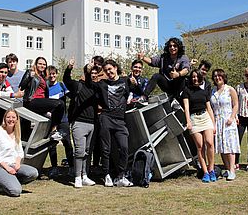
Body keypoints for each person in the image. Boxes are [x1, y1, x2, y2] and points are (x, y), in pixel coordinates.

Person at [89, 59, 134, 187]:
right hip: (106, 117)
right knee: (106, 149)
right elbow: (89, 83)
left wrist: (134, 84)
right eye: (106, 70)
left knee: (124, 147)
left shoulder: (125, 81)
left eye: (110, 69)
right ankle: (106, 175)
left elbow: (137, 89)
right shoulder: (102, 83)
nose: (109, 72)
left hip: (120, 120)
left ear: (115, 68)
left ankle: (121, 176)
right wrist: (89, 70)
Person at [63, 59, 97, 188]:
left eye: (95, 73)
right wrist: (69, 67)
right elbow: (66, 79)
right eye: (90, 73)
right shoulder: (78, 85)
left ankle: (84, 175)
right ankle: (77, 177)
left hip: (92, 123)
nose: (92, 75)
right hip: (79, 122)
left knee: (87, 152)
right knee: (79, 151)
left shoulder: (94, 87)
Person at [0, 109, 38, 197]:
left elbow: (20, 151)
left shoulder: (16, 133)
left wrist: (18, 163)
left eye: (13, 117)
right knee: (16, 192)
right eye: (8, 117)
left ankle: (11, 182)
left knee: (33, 173)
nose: (11, 119)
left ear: (17, 119)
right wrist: (7, 168)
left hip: (13, 165)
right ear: (4, 119)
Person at [183, 69, 216, 183]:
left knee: (210, 143)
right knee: (200, 146)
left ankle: (212, 170)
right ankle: (205, 172)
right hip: (194, 119)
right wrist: (188, 122)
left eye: (197, 77)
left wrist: (214, 123)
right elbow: (186, 108)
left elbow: (209, 108)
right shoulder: (187, 91)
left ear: (200, 78)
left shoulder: (204, 91)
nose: (195, 79)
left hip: (205, 118)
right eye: (193, 77)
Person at [19, 57, 65, 140]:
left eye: (44, 64)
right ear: (36, 65)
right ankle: (53, 130)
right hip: (31, 100)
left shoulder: (44, 77)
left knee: (60, 106)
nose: (42, 66)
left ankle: (53, 131)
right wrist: (29, 77)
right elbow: (21, 86)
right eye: (40, 63)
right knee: (60, 103)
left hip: (41, 102)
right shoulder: (30, 72)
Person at [210, 69, 240, 181]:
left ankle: (232, 170)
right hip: (217, 121)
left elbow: (236, 104)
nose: (217, 78)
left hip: (228, 120)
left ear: (223, 77)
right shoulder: (212, 91)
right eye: (215, 76)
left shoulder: (230, 89)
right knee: (221, 146)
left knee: (230, 146)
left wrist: (232, 117)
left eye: (219, 76)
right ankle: (227, 169)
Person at [138, 37, 190, 102]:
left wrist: (178, 74)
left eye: (174, 46)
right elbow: (152, 61)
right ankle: (144, 97)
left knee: (182, 77)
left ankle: (176, 97)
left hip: (178, 86)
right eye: (170, 46)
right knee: (156, 76)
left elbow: (186, 69)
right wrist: (143, 58)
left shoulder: (183, 58)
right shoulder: (164, 57)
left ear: (178, 47)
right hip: (167, 85)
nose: (172, 48)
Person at [47, 65, 74, 178]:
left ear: (56, 74)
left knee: (67, 143)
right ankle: (54, 168)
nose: (52, 76)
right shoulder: (45, 88)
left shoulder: (62, 86)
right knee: (52, 145)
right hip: (51, 121)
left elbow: (72, 96)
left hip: (63, 120)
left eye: (54, 73)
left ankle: (72, 167)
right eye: (50, 74)